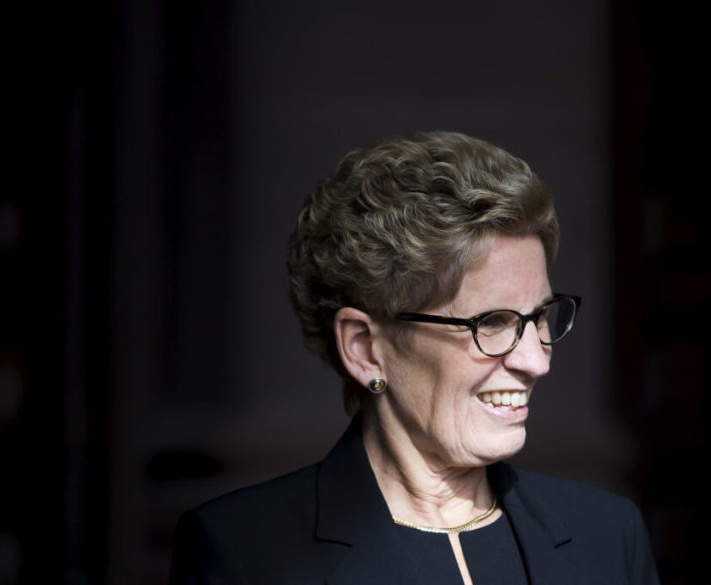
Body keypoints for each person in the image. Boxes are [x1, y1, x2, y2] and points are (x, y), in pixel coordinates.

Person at [167, 131, 660, 584]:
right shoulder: (245, 552)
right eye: (490, 322)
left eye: (541, 317)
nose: (537, 361)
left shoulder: (608, 536)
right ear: (364, 347)